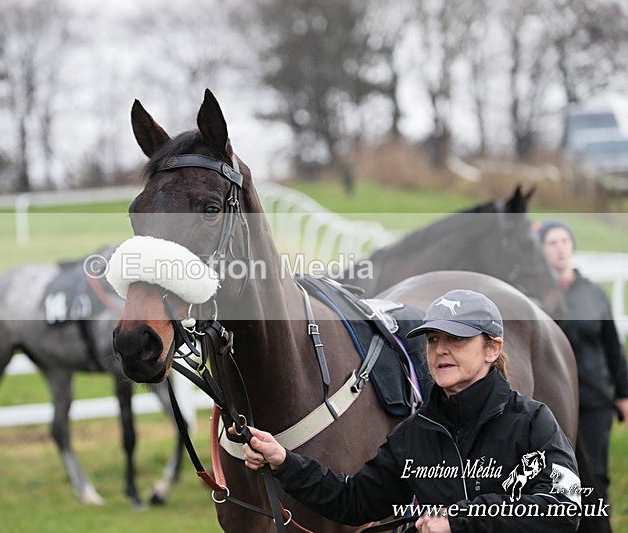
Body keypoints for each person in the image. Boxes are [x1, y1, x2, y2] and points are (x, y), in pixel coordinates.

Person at [241, 289, 581, 532]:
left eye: (456, 338)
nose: (440, 350)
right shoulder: (414, 433)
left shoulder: (533, 421)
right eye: (432, 339)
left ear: (492, 348)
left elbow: (565, 507)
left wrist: (458, 520)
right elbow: (354, 500)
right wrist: (284, 462)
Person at [538, 219, 628, 497]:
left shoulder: (594, 293)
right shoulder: (536, 297)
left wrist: (623, 394)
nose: (560, 248)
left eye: (564, 241)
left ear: (572, 246)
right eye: (552, 243)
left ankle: (598, 519)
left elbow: (612, 346)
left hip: (594, 398)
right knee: (558, 474)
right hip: (551, 399)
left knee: (595, 473)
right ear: (542, 250)